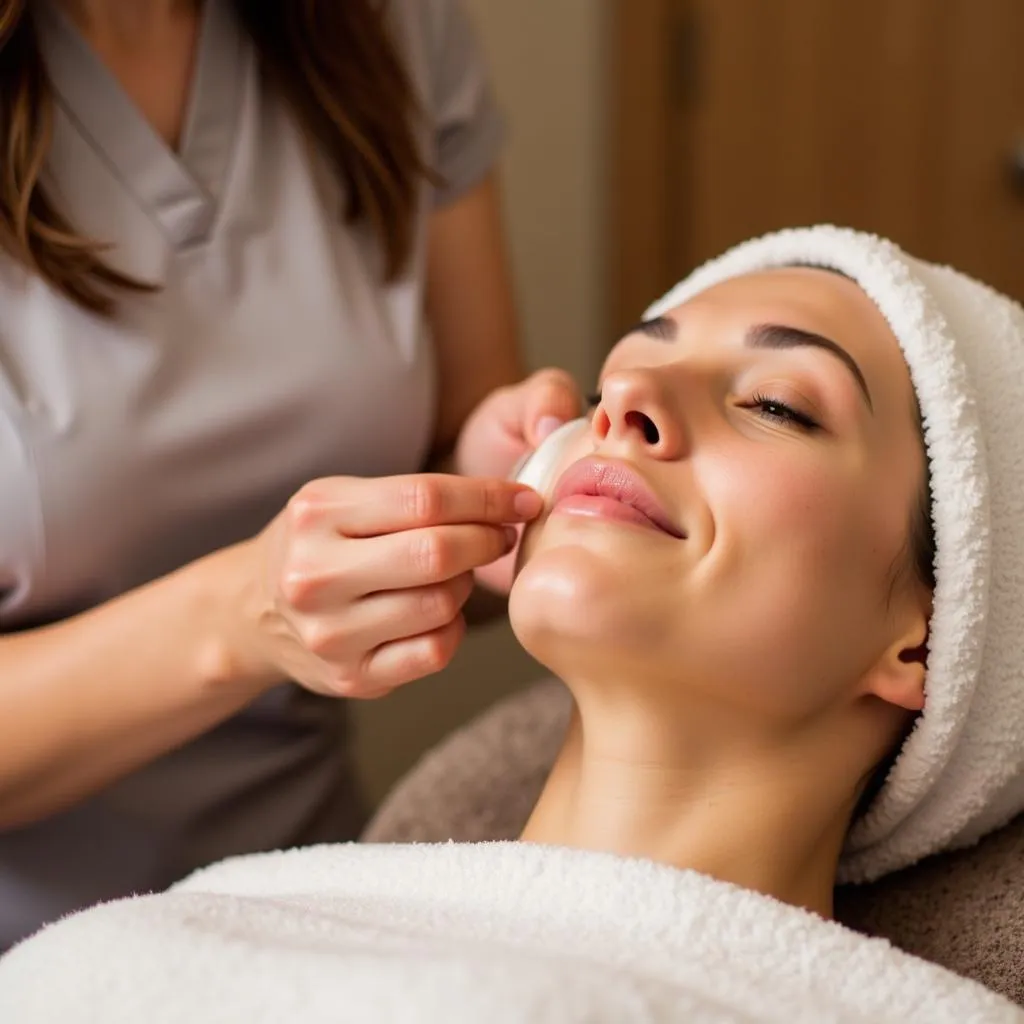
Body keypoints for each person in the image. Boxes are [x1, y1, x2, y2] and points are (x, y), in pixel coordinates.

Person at [2, 226, 1022, 1022]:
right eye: (612, 374)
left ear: (927, 637)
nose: (623, 397)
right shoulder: (204, 929)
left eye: (774, 404)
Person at [0, 0, 580, 950]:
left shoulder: (391, 29)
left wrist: (472, 502)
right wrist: (241, 617)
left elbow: (469, 500)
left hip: (309, 906)